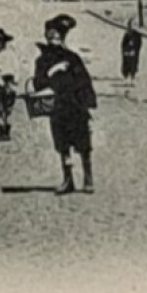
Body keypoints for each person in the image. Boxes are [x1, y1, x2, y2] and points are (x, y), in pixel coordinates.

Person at [31, 14, 97, 195]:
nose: (54, 40)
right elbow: (39, 83)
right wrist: (53, 71)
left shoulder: (73, 58)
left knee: (83, 143)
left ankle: (88, 178)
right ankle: (68, 180)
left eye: (58, 37)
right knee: (62, 144)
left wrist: (87, 103)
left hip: (75, 106)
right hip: (57, 108)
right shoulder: (42, 61)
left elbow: (84, 80)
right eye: (51, 37)